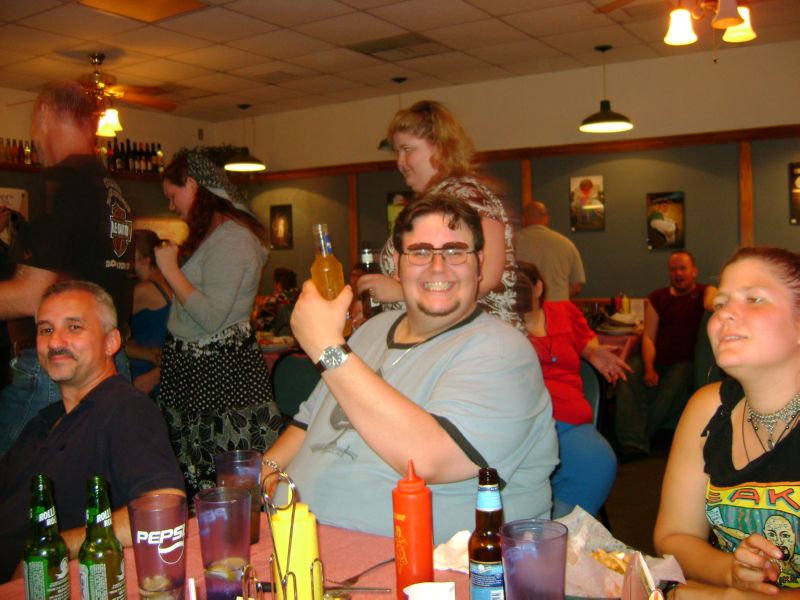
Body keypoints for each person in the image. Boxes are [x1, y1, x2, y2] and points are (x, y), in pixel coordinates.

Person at [262, 195, 557, 544]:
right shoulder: (371, 331)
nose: (437, 266)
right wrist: (262, 479)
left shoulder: (503, 351)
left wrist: (327, 348)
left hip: (410, 562)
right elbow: (306, 426)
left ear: (479, 264)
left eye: (454, 251)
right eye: (420, 252)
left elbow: (428, 459)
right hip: (289, 539)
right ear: (398, 266)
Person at [0, 280, 184, 583]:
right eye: (46, 329)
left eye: (73, 327)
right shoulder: (45, 420)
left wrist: (55, 549)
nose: (55, 341)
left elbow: (163, 509)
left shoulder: (125, 410)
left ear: (111, 342)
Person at [654, 246, 800, 597]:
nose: (724, 314)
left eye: (754, 299)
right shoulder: (707, 409)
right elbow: (674, 536)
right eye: (720, 304)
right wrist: (730, 573)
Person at [0, 80, 134, 457]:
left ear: (45, 115)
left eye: (33, 124)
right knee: (89, 479)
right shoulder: (111, 189)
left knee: (15, 480)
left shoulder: (59, 184)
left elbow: (33, 295)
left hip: (58, 367)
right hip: (108, 362)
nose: (34, 139)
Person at [155, 151, 281, 498]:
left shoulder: (233, 239)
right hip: (198, 376)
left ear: (192, 185)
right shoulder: (216, 235)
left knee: (223, 481)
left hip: (219, 378)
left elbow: (211, 317)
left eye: (173, 196)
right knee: (200, 478)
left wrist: (170, 271)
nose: (171, 206)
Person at [356, 100, 522, 329]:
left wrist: (399, 292)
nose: (400, 162)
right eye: (397, 152)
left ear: (440, 147)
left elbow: (486, 276)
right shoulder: (436, 198)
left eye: (407, 149)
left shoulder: (467, 195)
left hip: (473, 338)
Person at [518, 261, 628, 518]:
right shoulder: (503, 324)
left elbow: (587, 346)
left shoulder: (564, 312)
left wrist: (595, 353)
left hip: (570, 418)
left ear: (538, 288)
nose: (516, 297)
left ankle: (557, 530)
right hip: (528, 419)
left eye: (521, 289)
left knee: (597, 463)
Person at [615, 250, 716, 461]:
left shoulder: (705, 291)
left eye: (683, 268)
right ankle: (634, 440)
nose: (678, 274)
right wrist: (649, 367)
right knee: (627, 373)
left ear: (694, 271)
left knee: (676, 382)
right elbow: (648, 337)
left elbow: (711, 302)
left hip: (683, 362)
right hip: (654, 356)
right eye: (673, 270)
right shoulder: (657, 297)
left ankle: (635, 440)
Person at [127, 229, 173, 397]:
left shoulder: (144, 290)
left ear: (145, 260)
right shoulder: (166, 282)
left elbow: (108, 324)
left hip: (144, 372)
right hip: (159, 370)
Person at [515, 201, 586, 300]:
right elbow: (576, 286)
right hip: (557, 305)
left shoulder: (510, 243)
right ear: (546, 219)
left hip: (524, 306)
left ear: (523, 219)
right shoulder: (566, 244)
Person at [252, 267, 299, 336]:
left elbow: (257, 320)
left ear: (278, 284)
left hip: (275, 335)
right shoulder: (298, 296)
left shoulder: (274, 301)